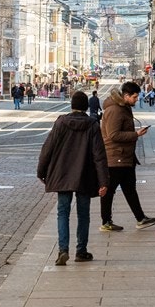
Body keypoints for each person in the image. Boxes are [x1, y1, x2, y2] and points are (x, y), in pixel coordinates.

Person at [37, 91, 111, 266]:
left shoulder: (61, 122)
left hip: (63, 173)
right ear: (86, 107)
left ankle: (63, 250)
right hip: (84, 175)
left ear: (72, 105)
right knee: (83, 213)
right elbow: (99, 155)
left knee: (62, 212)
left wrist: (41, 171)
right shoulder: (92, 125)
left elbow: (47, 148)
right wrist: (103, 181)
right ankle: (81, 250)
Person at [99, 81, 155, 232]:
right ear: (125, 96)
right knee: (110, 190)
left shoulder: (122, 108)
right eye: (134, 97)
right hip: (116, 157)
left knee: (129, 189)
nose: (136, 99)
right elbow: (113, 135)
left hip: (124, 157)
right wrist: (136, 134)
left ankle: (140, 218)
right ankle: (107, 221)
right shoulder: (115, 110)